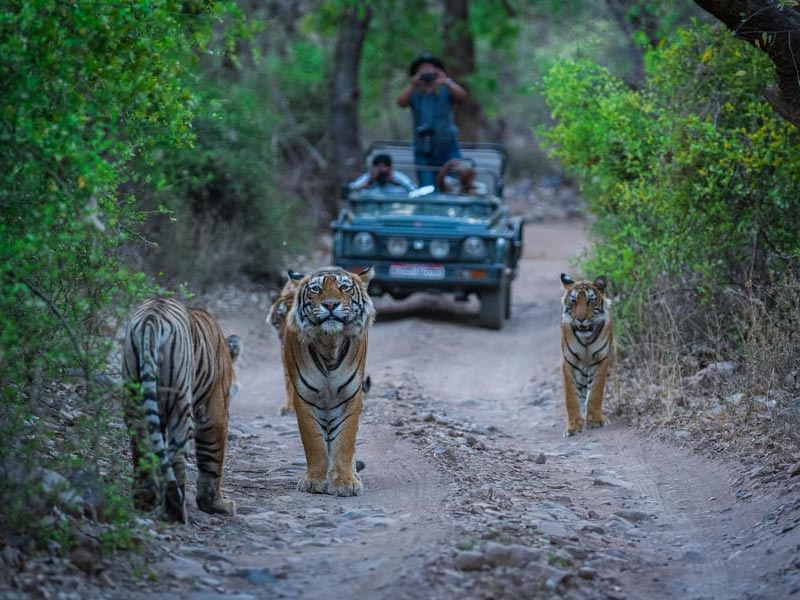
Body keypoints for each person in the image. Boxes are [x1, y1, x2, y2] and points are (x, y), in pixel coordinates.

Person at [396, 53, 468, 187]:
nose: (426, 72)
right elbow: (400, 102)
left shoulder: (445, 89)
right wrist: (413, 84)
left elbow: (463, 96)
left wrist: (446, 81)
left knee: (456, 185)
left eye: (430, 68)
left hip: (448, 148)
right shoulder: (414, 92)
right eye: (422, 69)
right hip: (423, 150)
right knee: (427, 188)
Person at [347, 154, 416, 193]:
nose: (381, 171)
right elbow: (351, 190)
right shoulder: (366, 178)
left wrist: (394, 182)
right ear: (373, 168)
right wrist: (369, 182)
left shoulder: (399, 177)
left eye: (384, 167)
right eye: (378, 168)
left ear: (390, 168)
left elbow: (414, 191)